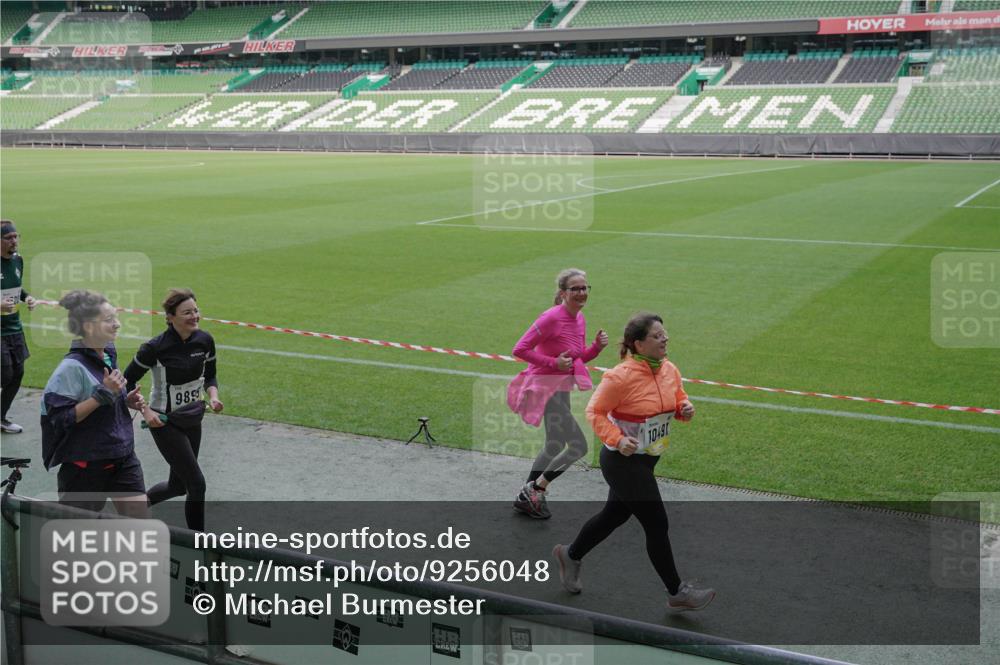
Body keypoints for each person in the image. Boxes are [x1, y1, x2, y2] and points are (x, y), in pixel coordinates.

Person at [552, 313, 715, 612]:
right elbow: (594, 412)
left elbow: (676, 397)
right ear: (638, 344)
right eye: (657, 335)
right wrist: (616, 439)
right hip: (621, 461)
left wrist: (684, 408)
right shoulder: (619, 377)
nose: (665, 339)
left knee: (614, 515)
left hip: (647, 459)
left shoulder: (669, 369)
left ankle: (570, 554)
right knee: (657, 522)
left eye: (664, 334)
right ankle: (677, 592)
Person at [507, 268, 608, 519]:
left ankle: (527, 496)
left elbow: (576, 359)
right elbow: (519, 349)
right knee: (578, 446)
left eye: (584, 288)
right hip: (544, 388)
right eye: (575, 289)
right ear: (563, 293)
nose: (582, 293)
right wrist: (554, 363)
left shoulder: (579, 318)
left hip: (561, 387)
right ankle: (535, 490)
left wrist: (596, 348)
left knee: (554, 444)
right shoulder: (551, 318)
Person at [40, 290, 148, 516]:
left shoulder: (107, 353)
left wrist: (125, 400)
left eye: (116, 317)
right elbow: (60, 419)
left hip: (123, 457)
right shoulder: (70, 369)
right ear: (89, 327)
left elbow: (108, 393)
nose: (117, 324)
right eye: (109, 320)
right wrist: (101, 396)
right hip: (85, 467)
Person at [125, 288, 221, 532]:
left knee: (178, 486)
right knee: (197, 484)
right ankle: (199, 543)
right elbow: (127, 381)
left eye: (196, 310)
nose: (194, 316)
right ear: (170, 317)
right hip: (164, 421)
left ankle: (134, 508)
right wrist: (146, 411)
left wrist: (213, 397)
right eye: (187, 312)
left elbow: (210, 376)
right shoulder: (155, 348)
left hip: (193, 417)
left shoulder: (205, 340)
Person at [1, 220, 38, 434]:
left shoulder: (18, 260)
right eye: (9, 238)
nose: (14, 241)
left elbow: (16, 287)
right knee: (4, 374)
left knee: (18, 373)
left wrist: (27, 297)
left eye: (16, 236)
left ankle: (1, 418)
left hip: (14, 327)